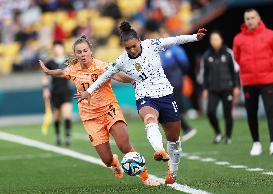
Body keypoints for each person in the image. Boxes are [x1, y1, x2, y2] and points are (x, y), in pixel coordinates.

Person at [75, 21, 206, 184]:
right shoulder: (121, 60)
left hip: (166, 95)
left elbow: (175, 40)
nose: (131, 50)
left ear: (139, 40)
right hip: (145, 96)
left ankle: (172, 171)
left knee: (174, 140)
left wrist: (195, 37)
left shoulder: (152, 44)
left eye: (134, 46)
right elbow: (104, 76)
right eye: (127, 48)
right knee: (149, 119)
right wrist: (89, 91)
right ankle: (159, 150)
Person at [39, 35, 159, 186]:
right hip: (90, 118)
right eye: (79, 52)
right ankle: (115, 163)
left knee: (124, 145)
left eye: (85, 51)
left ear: (90, 51)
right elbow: (61, 72)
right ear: (75, 54)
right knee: (107, 160)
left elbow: (119, 76)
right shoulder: (73, 70)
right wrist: (48, 72)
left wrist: (135, 79)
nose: (82, 54)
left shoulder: (101, 66)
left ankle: (146, 177)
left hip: (109, 109)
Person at [233, 9, 273, 155]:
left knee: (270, 110)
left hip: (267, 79)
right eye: (247, 18)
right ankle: (256, 144)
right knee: (251, 112)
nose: (250, 20)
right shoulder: (239, 39)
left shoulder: (271, 35)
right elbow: (237, 57)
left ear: (259, 18)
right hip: (248, 81)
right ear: (245, 20)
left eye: (252, 17)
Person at [201, 31, 240, 144]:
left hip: (227, 88)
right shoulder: (207, 55)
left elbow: (235, 71)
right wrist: (205, 88)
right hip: (213, 89)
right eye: (212, 39)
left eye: (217, 39)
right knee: (210, 112)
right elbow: (204, 74)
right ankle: (218, 132)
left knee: (227, 112)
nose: (215, 41)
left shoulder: (228, 53)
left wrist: (236, 86)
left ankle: (228, 136)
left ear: (221, 40)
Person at [159, 33, 197, 142]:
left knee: (173, 107)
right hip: (167, 83)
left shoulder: (175, 50)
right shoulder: (161, 51)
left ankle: (186, 129)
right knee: (169, 107)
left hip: (175, 82)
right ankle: (180, 130)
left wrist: (178, 74)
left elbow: (184, 63)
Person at [42, 40, 73, 146]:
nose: (57, 49)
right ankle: (58, 135)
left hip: (66, 91)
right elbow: (45, 77)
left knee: (67, 114)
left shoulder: (68, 61)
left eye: (59, 47)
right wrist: (45, 89)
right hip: (55, 92)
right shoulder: (50, 63)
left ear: (62, 48)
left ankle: (68, 136)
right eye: (55, 47)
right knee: (57, 116)